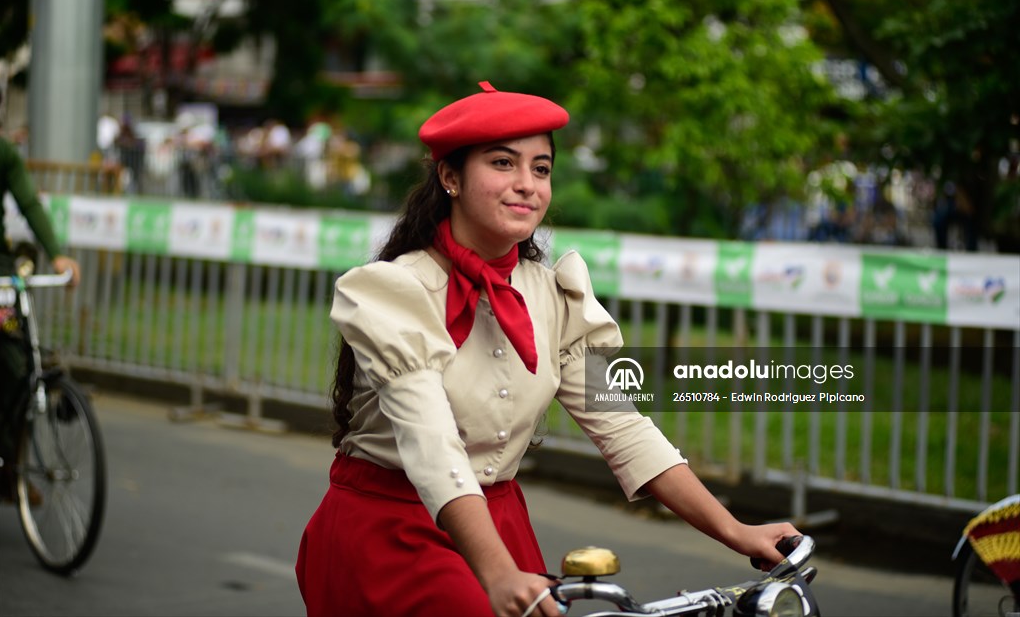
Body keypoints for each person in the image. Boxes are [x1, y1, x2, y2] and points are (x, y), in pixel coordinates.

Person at [295, 81, 799, 617]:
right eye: (503, 163)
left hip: (501, 526)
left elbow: (623, 427)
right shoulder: (396, 290)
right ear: (450, 178)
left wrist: (735, 530)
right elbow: (431, 443)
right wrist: (496, 572)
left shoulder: (554, 295)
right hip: (390, 529)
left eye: (541, 169)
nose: (527, 185)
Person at [0, 83, 81, 498]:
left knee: (18, 365)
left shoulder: (4, 153)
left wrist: (58, 254)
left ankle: (9, 466)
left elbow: (29, 204)